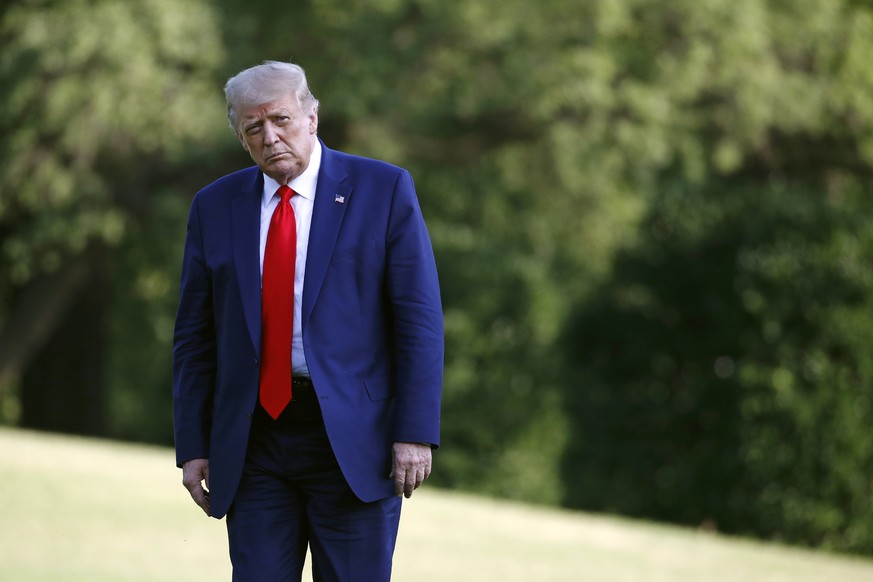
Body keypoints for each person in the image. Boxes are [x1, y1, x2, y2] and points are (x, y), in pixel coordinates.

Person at [172, 60, 443, 581]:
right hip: (254, 443)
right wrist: (194, 443)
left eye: (281, 120)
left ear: (312, 118)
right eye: (254, 127)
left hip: (353, 442)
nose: (270, 136)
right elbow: (194, 337)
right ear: (241, 138)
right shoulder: (214, 207)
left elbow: (419, 322)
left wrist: (415, 431)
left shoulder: (383, 190)